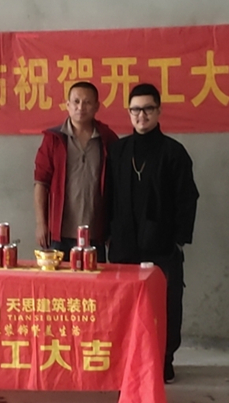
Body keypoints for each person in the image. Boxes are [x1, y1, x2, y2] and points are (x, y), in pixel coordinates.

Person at [107, 82, 199, 383]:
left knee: (166, 305)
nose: (141, 115)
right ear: (129, 113)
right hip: (124, 245)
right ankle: (127, 362)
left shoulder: (174, 152)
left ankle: (164, 360)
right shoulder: (118, 150)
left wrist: (178, 240)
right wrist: (108, 235)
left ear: (158, 111)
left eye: (147, 109)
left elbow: (188, 198)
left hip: (162, 247)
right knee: (123, 306)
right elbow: (107, 196)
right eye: (135, 110)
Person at [34, 81, 117, 260]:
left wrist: (112, 229)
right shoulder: (53, 139)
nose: (81, 107)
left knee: (95, 278)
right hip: (59, 235)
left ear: (97, 106)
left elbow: (115, 188)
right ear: (68, 105)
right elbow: (41, 182)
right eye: (76, 102)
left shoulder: (107, 139)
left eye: (87, 102)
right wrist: (41, 224)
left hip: (95, 235)